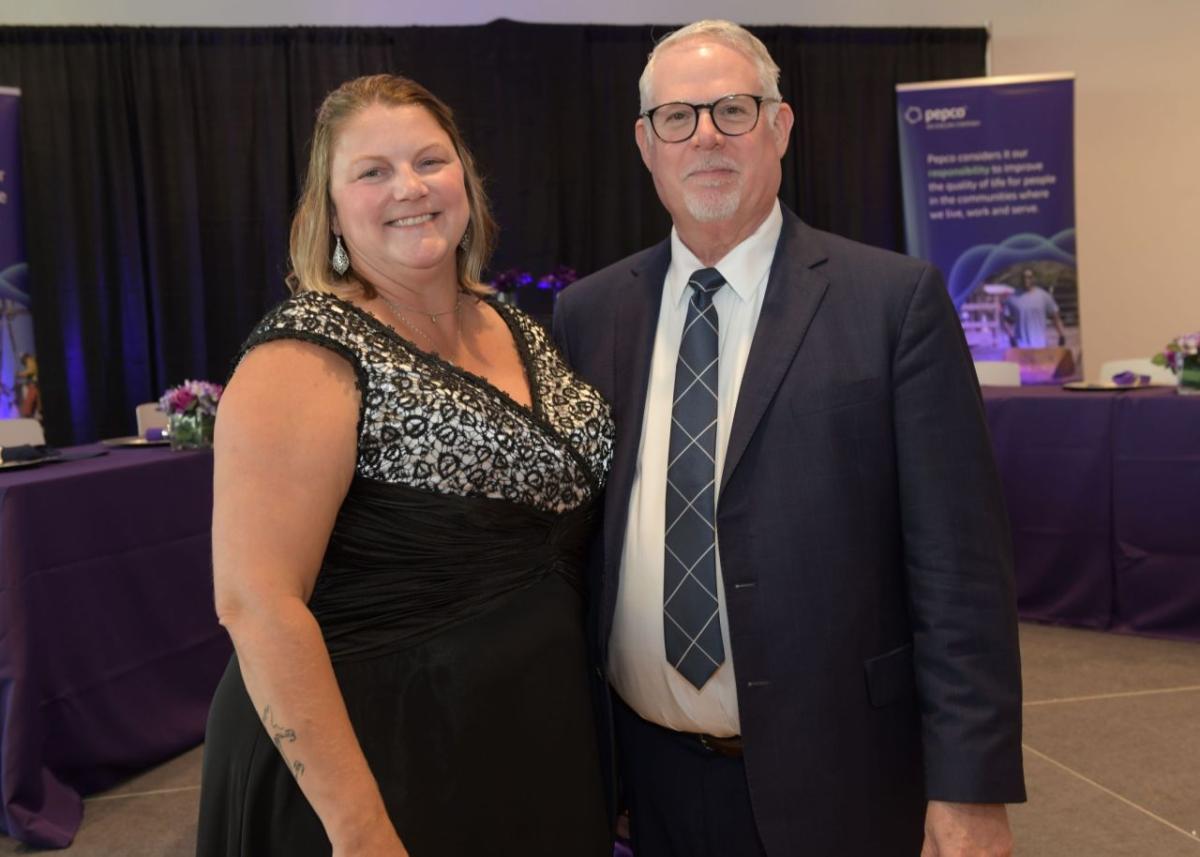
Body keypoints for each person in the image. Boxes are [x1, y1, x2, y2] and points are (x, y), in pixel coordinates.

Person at [553, 20, 1025, 857]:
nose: (704, 135)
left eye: (733, 109)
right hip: (648, 779)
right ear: (644, 143)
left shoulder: (892, 303)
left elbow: (960, 571)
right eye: (677, 117)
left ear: (779, 125)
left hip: (843, 776)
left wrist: (971, 788)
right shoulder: (592, 314)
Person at [195, 74, 614, 857]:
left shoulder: (513, 321)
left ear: (467, 181)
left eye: (430, 160)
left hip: (528, 743)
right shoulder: (307, 348)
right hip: (371, 765)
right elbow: (256, 602)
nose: (410, 188)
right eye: (373, 171)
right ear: (332, 209)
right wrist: (359, 829)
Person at [1003, 267, 1067, 347]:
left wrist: (1062, 335)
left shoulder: (1044, 296)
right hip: (1021, 345)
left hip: (1040, 344)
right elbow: (1005, 320)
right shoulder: (1013, 298)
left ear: (1034, 279)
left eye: (1029, 277)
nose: (1026, 280)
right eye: (1024, 277)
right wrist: (1011, 337)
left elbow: (1056, 317)